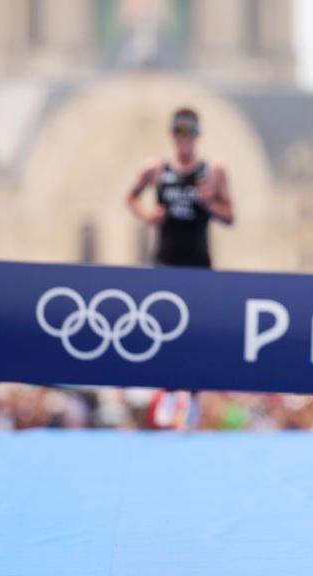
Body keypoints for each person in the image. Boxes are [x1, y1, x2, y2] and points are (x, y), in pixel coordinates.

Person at [126, 107, 234, 429]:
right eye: (179, 133)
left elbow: (230, 216)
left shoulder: (213, 170)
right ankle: (169, 391)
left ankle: (194, 399)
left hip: (199, 261)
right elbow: (131, 197)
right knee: (164, 327)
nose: (184, 140)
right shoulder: (156, 169)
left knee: (198, 334)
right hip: (165, 259)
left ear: (197, 136)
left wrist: (208, 205)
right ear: (173, 135)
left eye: (190, 133)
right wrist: (147, 216)